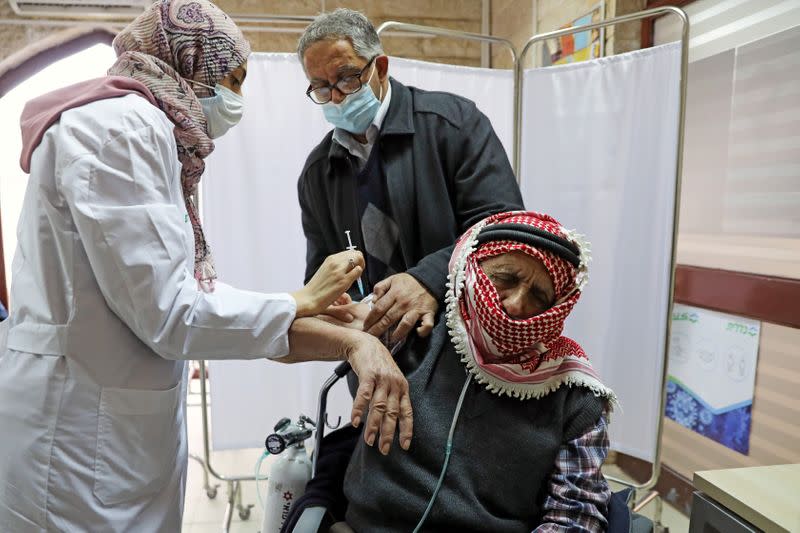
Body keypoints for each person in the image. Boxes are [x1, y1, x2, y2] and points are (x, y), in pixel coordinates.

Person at [0, 2, 411, 531]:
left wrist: (327, 320)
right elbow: (171, 311)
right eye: (232, 81)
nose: (235, 100)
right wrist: (300, 303)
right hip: (77, 434)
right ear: (190, 64)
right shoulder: (122, 129)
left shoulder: (146, 131)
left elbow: (167, 293)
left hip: (111, 420)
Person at [296, 211, 618, 532]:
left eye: (539, 296)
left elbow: (575, 515)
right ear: (471, 267)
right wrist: (359, 345)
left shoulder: (575, 395)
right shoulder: (410, 326)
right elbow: (290, 330)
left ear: (555, 309)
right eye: (505, 278)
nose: (518, 304)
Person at [296, 9, 524, 354]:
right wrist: (336, 305)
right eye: (322, 88)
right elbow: (321, 275)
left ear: (381, 67)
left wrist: (429, 279)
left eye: (347, 78)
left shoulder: (453, 125)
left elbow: (505, 230)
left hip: (466, 348)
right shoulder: (318, 173)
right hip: (376, 352)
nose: (338, 97)